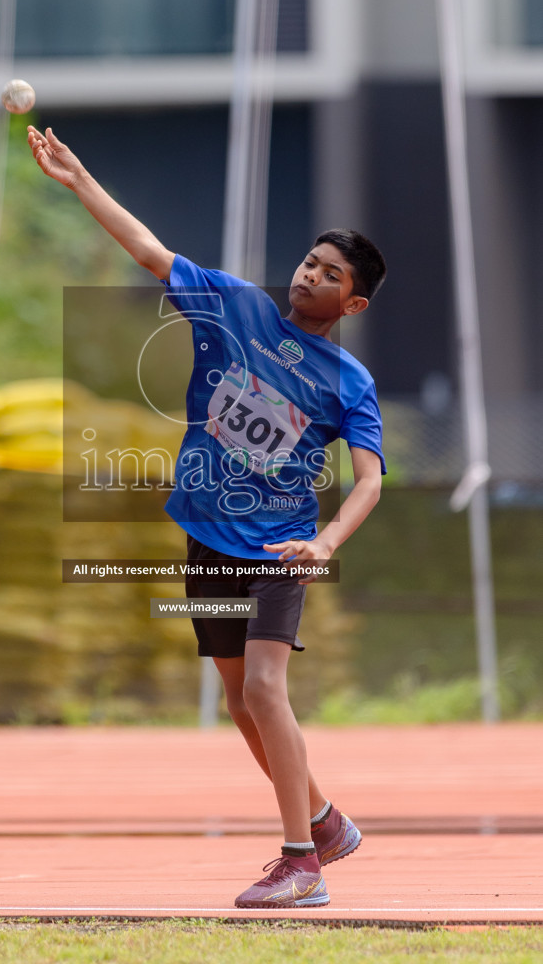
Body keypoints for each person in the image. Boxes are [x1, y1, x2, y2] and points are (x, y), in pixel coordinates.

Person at [27, 125, 387, 908]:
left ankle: (302, 864)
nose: (309, 276)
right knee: (237, 699)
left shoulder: (347, 380)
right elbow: (148, 248)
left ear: (350, 302)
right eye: (308, 262)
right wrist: (81, 181)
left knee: (264, 689)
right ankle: (324, 822)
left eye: (329, 276)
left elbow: (368, 482)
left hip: (278, 546)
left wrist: (324, 543)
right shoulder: (233, 305)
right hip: (204, 534)